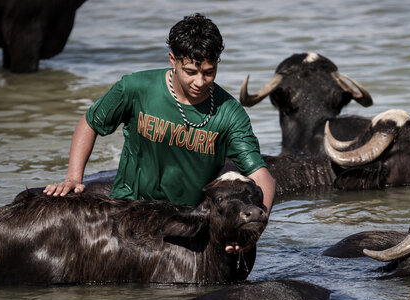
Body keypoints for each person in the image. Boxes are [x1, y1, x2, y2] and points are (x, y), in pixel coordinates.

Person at [43, 13, 275, 253]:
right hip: (128, 210)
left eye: (209, 72)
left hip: (187, 220)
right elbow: (90, 122)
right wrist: (73, 177)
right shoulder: (135, 88)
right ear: (173, 60)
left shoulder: (229, 113)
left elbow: (262, 176)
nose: (200, 82)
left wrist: (256, 232)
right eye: (190, 72)